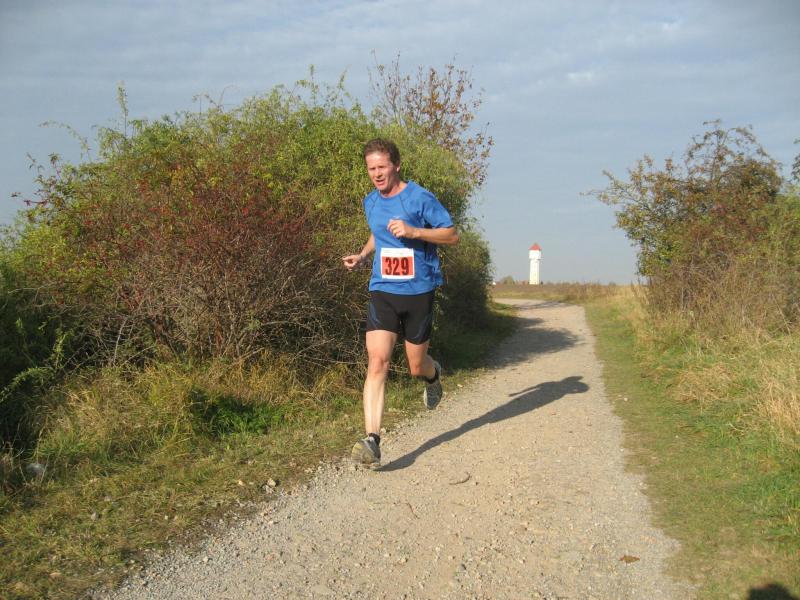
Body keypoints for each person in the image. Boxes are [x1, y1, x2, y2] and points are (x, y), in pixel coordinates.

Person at [342, 138, 459, 467]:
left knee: (415, 365)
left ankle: (433, 376)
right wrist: (363, 256)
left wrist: (414, 231)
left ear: (396, 165)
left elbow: (451, 234)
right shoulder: (370, 201)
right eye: (371, 168)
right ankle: (372, 440)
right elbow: (378, 233)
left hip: (419, 291)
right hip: (383, 289)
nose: (376, 174)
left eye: (381, 167)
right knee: (377, 361)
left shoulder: (419, 198)